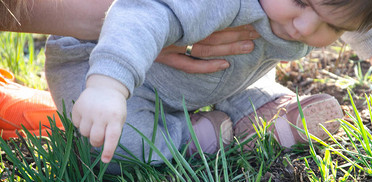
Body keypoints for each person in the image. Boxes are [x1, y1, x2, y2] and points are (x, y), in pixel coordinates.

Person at [45, 0, 372, 170]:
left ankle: (260, 113)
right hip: (108, 67)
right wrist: (109, 84)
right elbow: (140, 15)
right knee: (116, 147)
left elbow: (353, 11)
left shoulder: (304, 12)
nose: (305, 29)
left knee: (248, 69)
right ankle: (187, 138)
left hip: (214, 76)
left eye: (333, 28)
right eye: (300, 2)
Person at [0, 0, 259, 138]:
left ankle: (253, 97)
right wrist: (135, 24)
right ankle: (181, 136)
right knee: (115, 138)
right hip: (86, 52)